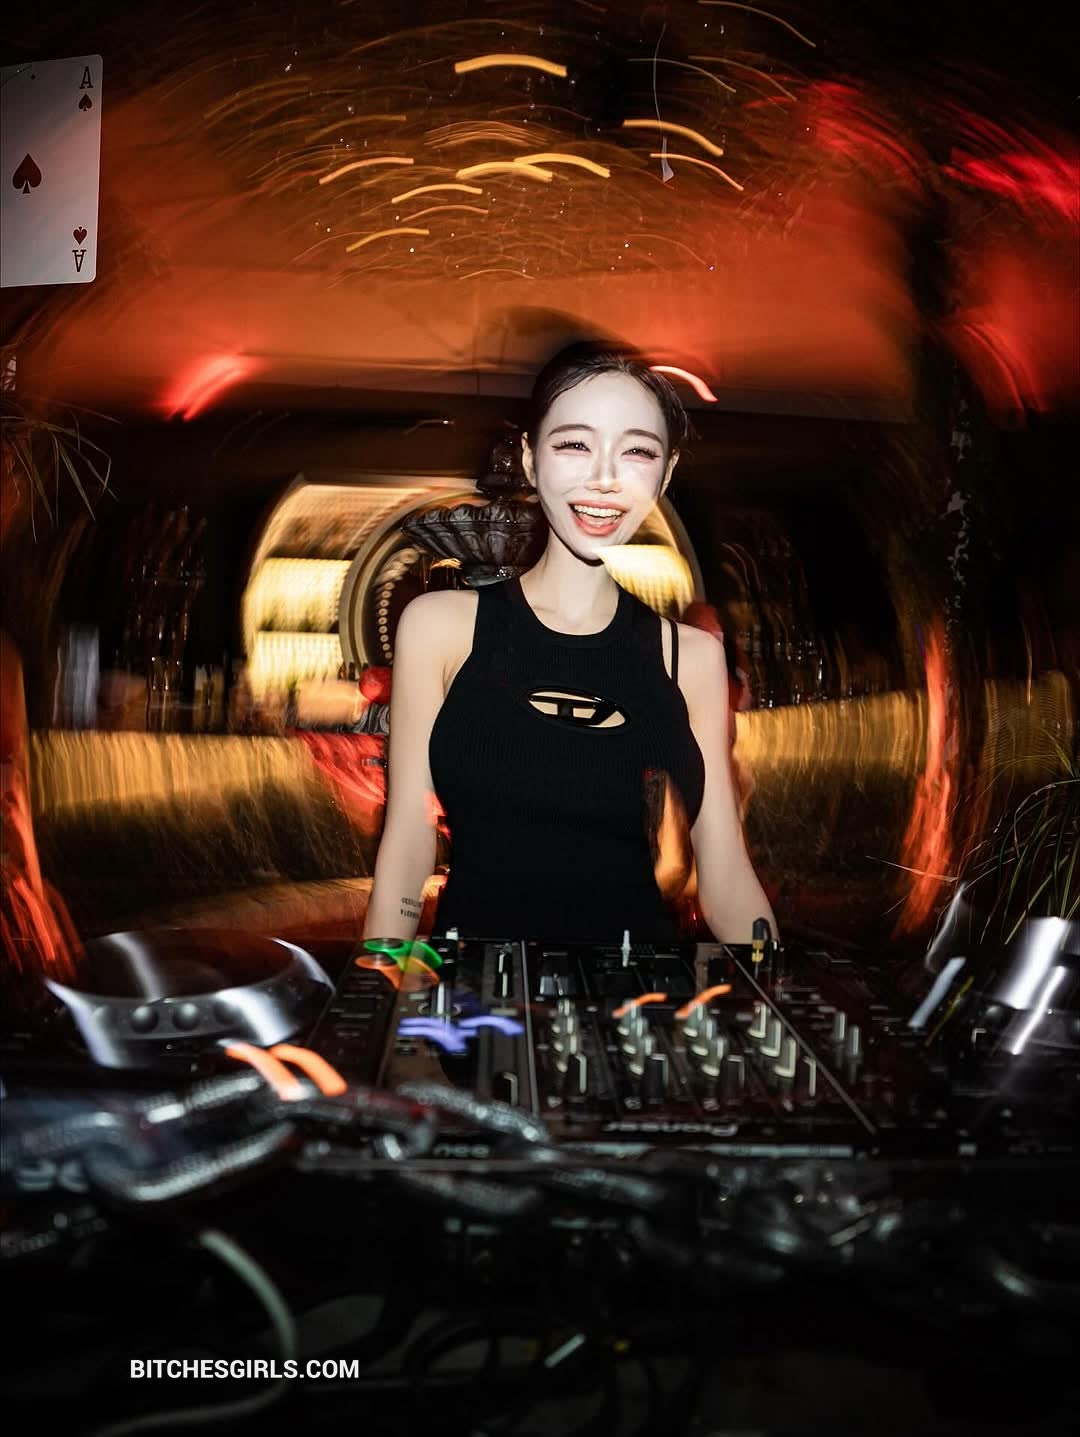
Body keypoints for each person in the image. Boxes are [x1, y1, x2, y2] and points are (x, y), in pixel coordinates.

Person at [363, 344, 778, 946]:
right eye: (575, 444)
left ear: (665, 474)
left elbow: (726, 873)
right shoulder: (439, 627)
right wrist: (379, 980)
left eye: (637, 451)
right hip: (480, 993)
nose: (604, 478)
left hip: (642, 993)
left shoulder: (690, 657)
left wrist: (777, 986)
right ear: (530, 460)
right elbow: (406, 842)